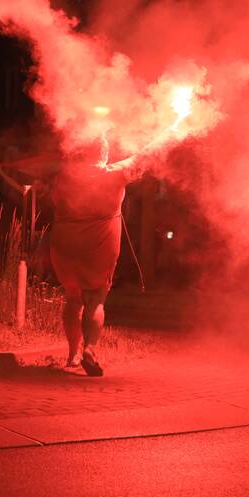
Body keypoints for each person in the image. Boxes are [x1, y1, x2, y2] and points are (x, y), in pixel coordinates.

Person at [49, 132, 169, 377]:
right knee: (96, 298)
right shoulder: (114, 173)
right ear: (102, 153)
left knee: (73, 297)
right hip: (98, 244)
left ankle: (72, 353)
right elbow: (144, 155)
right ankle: (90, 350)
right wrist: (172, 130)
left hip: (64, 243)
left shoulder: (64, 177)